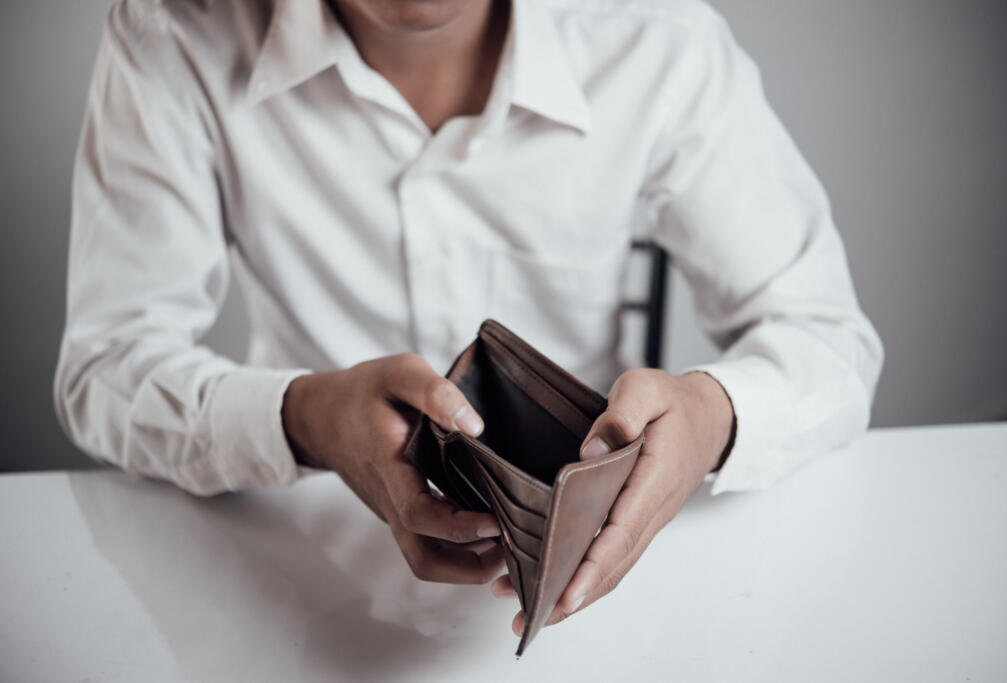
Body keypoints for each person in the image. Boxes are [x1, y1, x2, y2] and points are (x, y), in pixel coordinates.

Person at [54, 0, 883, 638]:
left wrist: (713, 415)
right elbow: (106, 365)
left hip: (600, 595)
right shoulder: (171, 33)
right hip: (290, 566)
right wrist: (303, 417)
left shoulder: (656, 36)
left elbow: (829, 339)